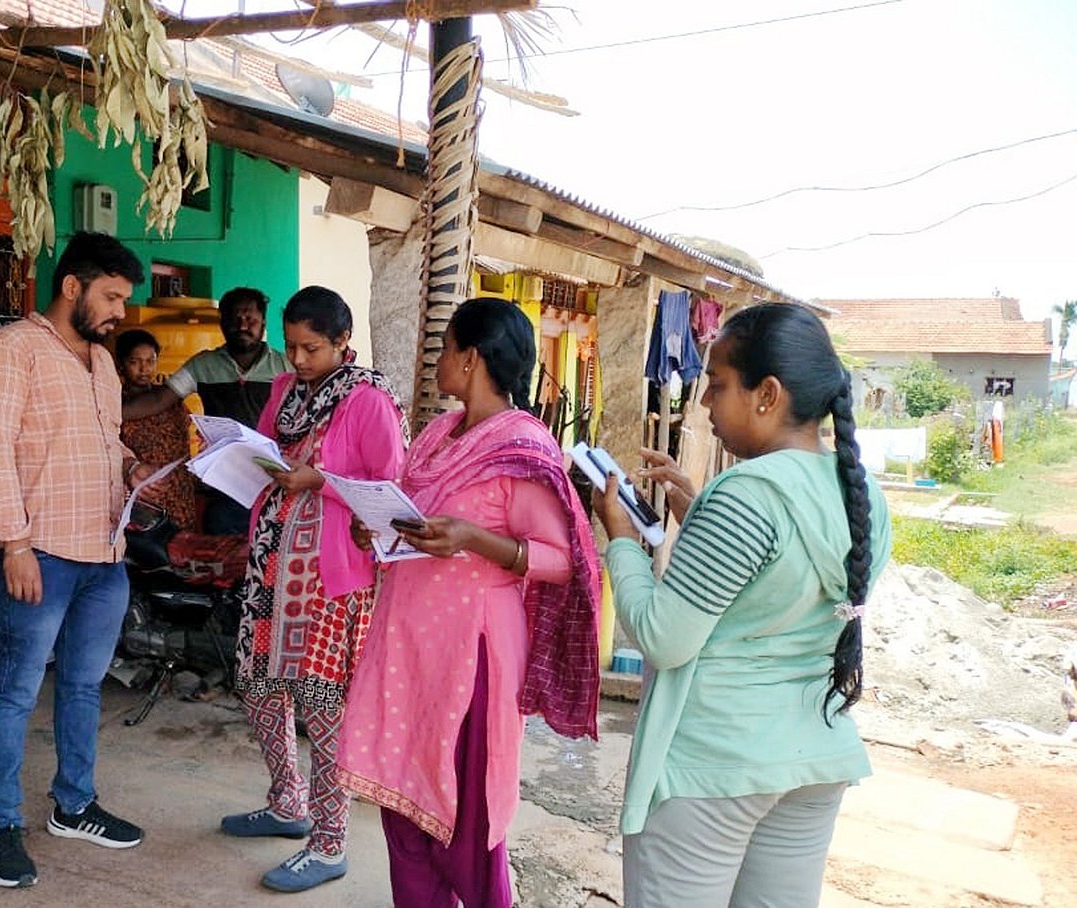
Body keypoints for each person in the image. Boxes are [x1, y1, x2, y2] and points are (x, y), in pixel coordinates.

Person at [592, 302, 892, 908]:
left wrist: (620, 535)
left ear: (768, 394)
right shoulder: (860, 494)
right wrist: (699, 518)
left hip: (716, 762)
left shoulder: (748, 494)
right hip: (812, 753)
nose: (705, 403)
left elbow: (663, 636)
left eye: (719, 385)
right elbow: (782, 586)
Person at [338, 297, 602, 908]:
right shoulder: (435, 433)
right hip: (407, 645)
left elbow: (564, 561)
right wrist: (375, 528)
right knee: (403, 811)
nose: (439, 360)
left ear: (472, 356)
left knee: (466, 820)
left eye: (446, 347)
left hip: (472, 652)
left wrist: (474, 538)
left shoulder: (523, 448)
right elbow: (412, 515)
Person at [0, 232, 154, 889]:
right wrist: (14, 545)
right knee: (17, 688)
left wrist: (132, 467)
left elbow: (108, 439)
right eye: (110, 297)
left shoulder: (101, 363)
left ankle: (74, 804)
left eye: (124, 300)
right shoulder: (11, 349)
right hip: (41, 552)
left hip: (105, 551)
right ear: (72, 287)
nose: (119, 313)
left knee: (82, 685)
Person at [223, 286, 409, 894]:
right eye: (292, 346)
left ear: (342, 342)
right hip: (273, 569)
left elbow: (388, 491)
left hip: (333, 581)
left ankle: (329, 842)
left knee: (324, 710)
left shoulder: (368, 399)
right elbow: (269, 453)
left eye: (311, 348)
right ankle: (286, 803)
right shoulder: (283, 392)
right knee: (260, 689)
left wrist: (320, 480)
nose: (297, 359)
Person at [124, 286, 290, 534]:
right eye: (234, 318)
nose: (242, 324)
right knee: (221, 555)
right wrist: (108, 412)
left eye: (250, 318)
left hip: (273, 481)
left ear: (263, 322)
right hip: (225, 485)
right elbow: (160, 399)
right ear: (222, 322)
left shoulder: (284, 367)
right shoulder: (203, 365)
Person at [115, 329, 197, 530]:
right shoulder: (114, 403)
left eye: (150, 361)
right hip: (143, 492)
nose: (144, 369)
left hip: (179, 488)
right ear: (121, 365)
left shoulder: (169, 398)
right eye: (135, 362)